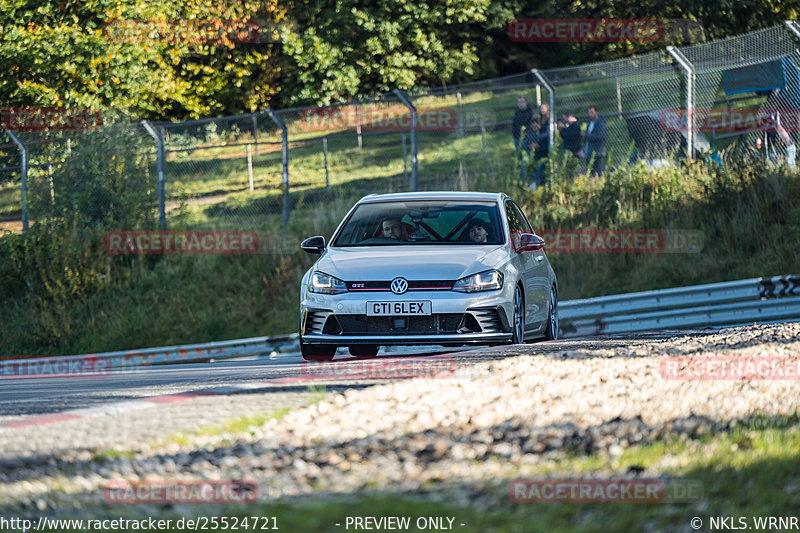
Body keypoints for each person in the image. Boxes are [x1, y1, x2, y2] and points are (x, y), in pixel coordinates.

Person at [523, 116, 549, 188]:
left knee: (541, 172)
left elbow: (545, 144)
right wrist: (531, 146)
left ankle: (541, 186)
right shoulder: (530, 132)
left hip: (543, 155)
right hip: (535, 156)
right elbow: (526, 144)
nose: (534, 126)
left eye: (536, 124)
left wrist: (538, 145)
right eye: (532, 124)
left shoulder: (544, 132)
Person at [584, 105, 607, 175]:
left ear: (596, 112)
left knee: (598, 172)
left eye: (592, 112)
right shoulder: (589, 123)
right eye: (589, 112)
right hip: (589, 151)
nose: (590, 114)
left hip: (597, 152)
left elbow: (601, 136)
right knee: (591, 172)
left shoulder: (600, 123)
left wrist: (587, 136)